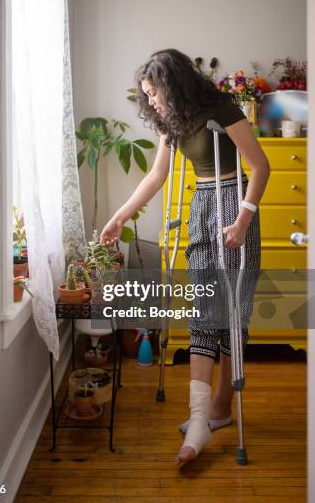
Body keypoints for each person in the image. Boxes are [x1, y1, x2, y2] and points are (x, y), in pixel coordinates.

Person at [100, 49, 270, 467]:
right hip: (202, 207)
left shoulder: (221, 108)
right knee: (203, 310)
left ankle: (219, 407)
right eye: (147, 95)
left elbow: (261, 166)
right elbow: (156, 176)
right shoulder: (170, 121)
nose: (152, 102)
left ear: (173, 85)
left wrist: (244, 221)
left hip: (234, 203)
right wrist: (120, 217)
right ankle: (200, 418)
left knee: (230, 311)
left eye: (155, 93)